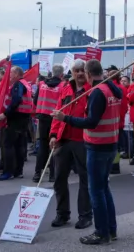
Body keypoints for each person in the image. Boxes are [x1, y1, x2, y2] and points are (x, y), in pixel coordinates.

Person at [52, 59, 122, 245]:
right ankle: (110, 229)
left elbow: (91, 122)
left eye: (83, 72)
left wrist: (65, 118)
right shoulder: (110, 89)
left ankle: (101, 232)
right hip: (109, 144)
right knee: (103, 189)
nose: (81, 75)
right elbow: (120, 93)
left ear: (89, 74)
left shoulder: (98, 92)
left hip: (98, 146)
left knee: (96, 191)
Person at [49, 59, 93, 229]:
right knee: (59, 178)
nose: (80, 73)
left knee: (85, 179)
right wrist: (53, 135)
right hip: (63, 139)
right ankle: (62, 213)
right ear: (72, 72)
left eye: (82, 70)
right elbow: (57, 113)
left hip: (83, 139)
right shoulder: (66, 89)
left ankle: (85, 215)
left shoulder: (93, 89)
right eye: (76, 70)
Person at [0, 66, 32, 181]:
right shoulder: (26, 83)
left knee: (8, 144)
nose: (8, 75)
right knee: (19, 145)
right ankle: (18, 171)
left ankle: (8, 172)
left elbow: (17, 99)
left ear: (16, 74)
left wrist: (5, 114)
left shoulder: (18, 84)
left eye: (10, 73)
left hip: (16, 117)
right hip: (24, 117)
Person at [32, 64, 65, 183]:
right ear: (61, 74)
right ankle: (52, 175)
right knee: (53, 146)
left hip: (42, 117)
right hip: (55, 118)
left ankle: (37, 174)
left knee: (42, 146)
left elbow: (35, 100)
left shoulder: (42, 84)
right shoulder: (62, 86)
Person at [105, 66, 128, 174]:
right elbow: (124, 106)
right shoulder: (122, 88)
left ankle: (111, 166)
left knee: (110, 146)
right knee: (117, 146)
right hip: (120, 121)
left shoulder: (108, 88)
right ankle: (115, 166)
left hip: (110, 121)